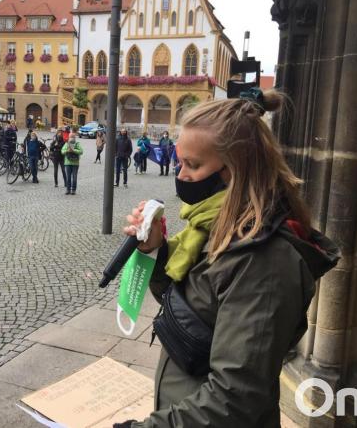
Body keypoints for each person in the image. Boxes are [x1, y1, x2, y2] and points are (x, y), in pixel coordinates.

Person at [115, 90, 340, 428]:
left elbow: (234, 399)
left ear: (235, 170)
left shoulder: (263, 259)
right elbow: (189, 313)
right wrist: (156, 252)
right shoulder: (211, 226)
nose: (181, 175)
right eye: (180, 162)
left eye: (193, 165)